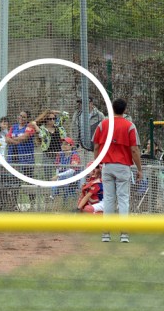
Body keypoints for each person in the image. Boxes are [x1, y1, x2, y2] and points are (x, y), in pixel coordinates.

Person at [92, 98, 143, 243]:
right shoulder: (129, 126)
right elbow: (134, 149)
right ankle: (124, 234)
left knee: (108, 199)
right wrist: (139, 169)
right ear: (125, 110)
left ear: (112, 109)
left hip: (107, 165)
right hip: (123, 166)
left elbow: (96, 147)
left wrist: (97, 165)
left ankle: (106, 234)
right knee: (123, 199)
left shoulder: (103, 124)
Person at [34, 108, 69, 179]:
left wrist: (56, 111)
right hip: (48, 155)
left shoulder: (58, 126)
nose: (52, 120)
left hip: (59, 155)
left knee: (61, 174)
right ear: (46, 119)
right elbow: (41, 135)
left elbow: (66, 115)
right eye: (50, 119)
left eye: (54, 118)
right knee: (49, 176)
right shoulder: (42, 129)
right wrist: (35, 125)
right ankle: (51, 189)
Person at [6, 110, 38, 180]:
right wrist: (16, 142)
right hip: (13, 156)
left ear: (27, 119)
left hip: (26, 158)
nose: (21, 118)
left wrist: (13, 138)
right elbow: (7, 139)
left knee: (27, 179)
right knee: (13, 178)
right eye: (20, 116)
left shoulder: (29, 127)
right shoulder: (13, 127)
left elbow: (24, 137)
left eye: (24, 117)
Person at [51, 137, 82, 207]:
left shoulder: (74, 155)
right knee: (54, 184)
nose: (63, 145)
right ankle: (53, 198)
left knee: (68, 193)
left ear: (71, 146)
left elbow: (72, 171)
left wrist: (58, 175)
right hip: (63, 178)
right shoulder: (60, 154)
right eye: (62, 144)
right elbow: (57, 168)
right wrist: (57, 177)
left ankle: (67, 205)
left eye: (66, 144)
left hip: (73, 180)